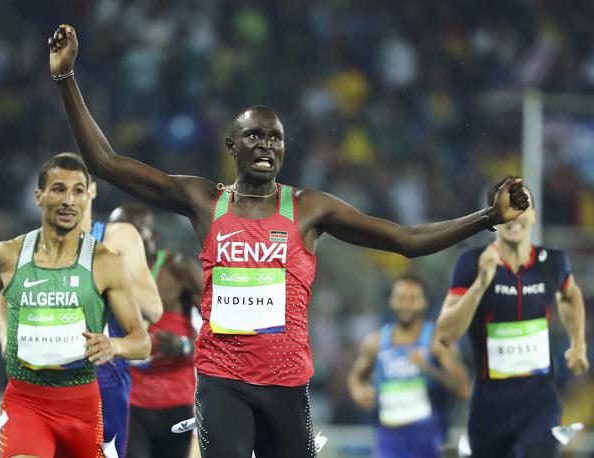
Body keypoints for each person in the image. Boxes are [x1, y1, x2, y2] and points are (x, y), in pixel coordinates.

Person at [48, 24, 530, 458]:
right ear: (232, 147)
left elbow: (405, 240)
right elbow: (108, 163)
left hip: (287, 383)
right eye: (254, 136)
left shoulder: (309, 208)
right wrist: (67, 78)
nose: (267, 145)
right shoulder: (203, 200)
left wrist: (488, 216)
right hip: (221, 380)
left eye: (276, 138)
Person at [0, 154, 151, 458]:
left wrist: (114, 345)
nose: (68, 200)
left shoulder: (105, 263)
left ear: (88, 196)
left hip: (83, 408)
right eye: (59, 189)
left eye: (78, 191)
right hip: (27, 402)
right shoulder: (8, 255)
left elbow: (142, 342)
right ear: (39, 196)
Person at [436, 176, 589, 458]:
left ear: (533, 214)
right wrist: (481, 283)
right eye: (507, 208)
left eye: (522, 206)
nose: (515, 216)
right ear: (495, 217)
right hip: (489, 408)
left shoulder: (552, 261)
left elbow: (570, 296)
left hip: (540, 405)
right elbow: (445, 333)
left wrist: (578, 343)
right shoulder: (472, 263)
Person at [108, 203, 203, 458]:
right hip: (129, 400)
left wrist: (185, 346)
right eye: (119, 233)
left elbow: (221, 330)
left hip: (176, 400)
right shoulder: (104, 274)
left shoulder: (178, 269)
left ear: (153, 236)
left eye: (136, 233)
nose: (127, 241)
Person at [348, 273, 470, 458]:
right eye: (400, 298)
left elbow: (464, 389)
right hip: (388, 441)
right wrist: (360, 392)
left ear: (424, 302)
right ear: (391, 300)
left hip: (429, 441)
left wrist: (429, 369)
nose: (405, 304)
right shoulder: (375, 342)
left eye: (412, 299)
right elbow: (355, 377)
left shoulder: (437, 342)